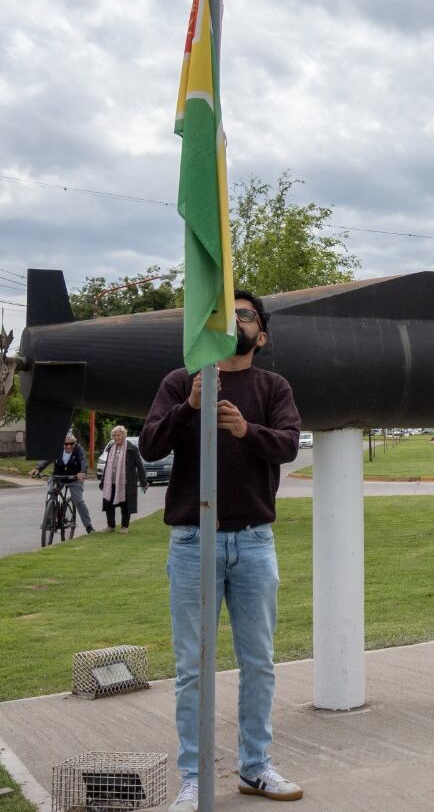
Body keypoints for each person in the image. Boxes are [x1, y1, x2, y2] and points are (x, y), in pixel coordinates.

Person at [140, 290, 304, 809]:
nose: (234, 320)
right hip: (193, 542)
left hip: (254, 540)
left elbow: (289, 443)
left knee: (258, 661)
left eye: (245, 314)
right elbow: (149, 446)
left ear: (263, 333)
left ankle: (255, 768)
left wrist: (245, 430)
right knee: (193, 666)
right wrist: (189, 408)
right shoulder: (180, 381)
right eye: (224, 312)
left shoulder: (273, 386)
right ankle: (194, 778)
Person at [30, 431, 95, 534]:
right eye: (66, 444)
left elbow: (83, 460)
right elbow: (46, 460)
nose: (69, 446)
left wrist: (82, 472)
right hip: (58, 477)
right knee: (51, 494)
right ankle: (50, 520)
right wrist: (37, 469)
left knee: (78, 500)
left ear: (75, 442)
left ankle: (88, 526)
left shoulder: (78, 449)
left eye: (71, 443)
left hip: (74, 478)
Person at [97, 425, 146, 533]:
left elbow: (140, 465)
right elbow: (107, 467)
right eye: (114, 435)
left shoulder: (132, 448)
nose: (116, 437)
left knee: (125, 505)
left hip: (126, 483)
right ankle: (111, 526)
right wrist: (102, 481)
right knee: (108, 504)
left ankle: (125, 526)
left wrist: (143, 481)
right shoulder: (111, 448)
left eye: (118, 435)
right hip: (111, 483)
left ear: (123, 435)